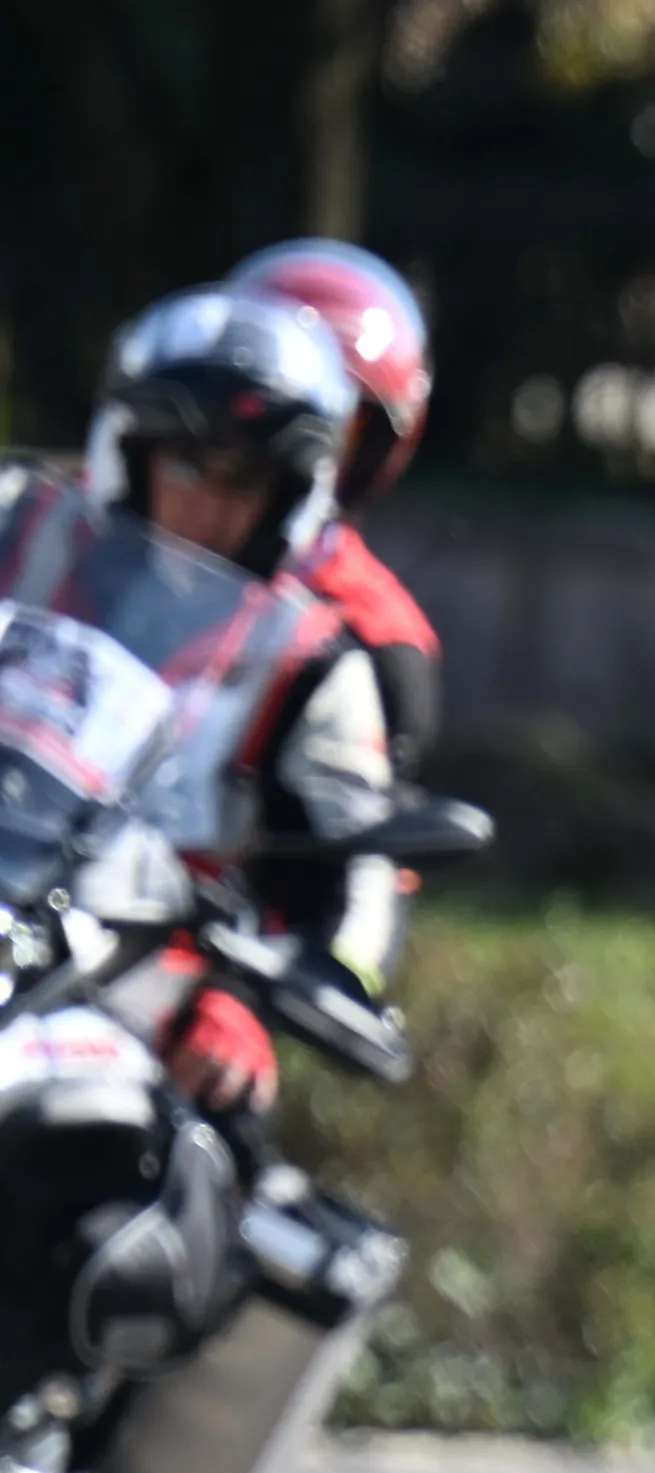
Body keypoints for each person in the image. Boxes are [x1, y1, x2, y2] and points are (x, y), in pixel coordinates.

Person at [56, 287, 399, 1111]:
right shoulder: (21, 548)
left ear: (288, 497)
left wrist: (245, 1004)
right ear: (130, 456)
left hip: (150, 1023)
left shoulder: (314, 662)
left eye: (243, 480)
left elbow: (355, 883)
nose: (207, 504)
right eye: (184, 463)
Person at [222, 240, 442, 772]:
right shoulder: (76, 537)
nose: (300, 446)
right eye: (273, 407)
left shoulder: (373, 638)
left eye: (344, 420)